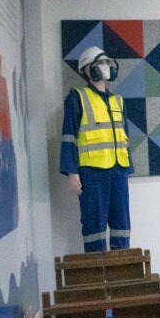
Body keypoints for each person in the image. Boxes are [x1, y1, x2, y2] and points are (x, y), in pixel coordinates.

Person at [60, 46, 133, 252]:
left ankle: (123, 268)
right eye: (100, 63)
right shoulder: (77, 97)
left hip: (118, 170)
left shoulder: (118, 100)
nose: (105, 67)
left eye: (107, 62)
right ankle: (96, 269)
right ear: (87, 69)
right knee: (94, 225)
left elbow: (124, 137)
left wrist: (127, 169)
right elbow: (69, 136)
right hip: (92, 173)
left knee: (122, 225)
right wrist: (71, 171)